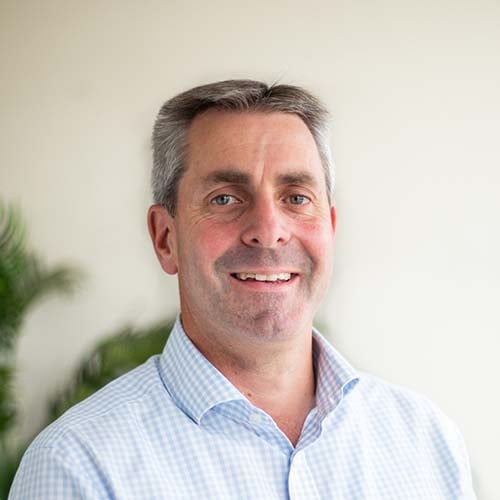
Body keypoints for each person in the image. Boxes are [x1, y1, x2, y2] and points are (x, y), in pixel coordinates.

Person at [9, 80, 476, 499]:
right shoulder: (77, 467)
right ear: (165, 238)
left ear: (330, 228)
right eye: (226, 198)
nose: (268, 231)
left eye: (297, 197)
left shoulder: (425, 440)